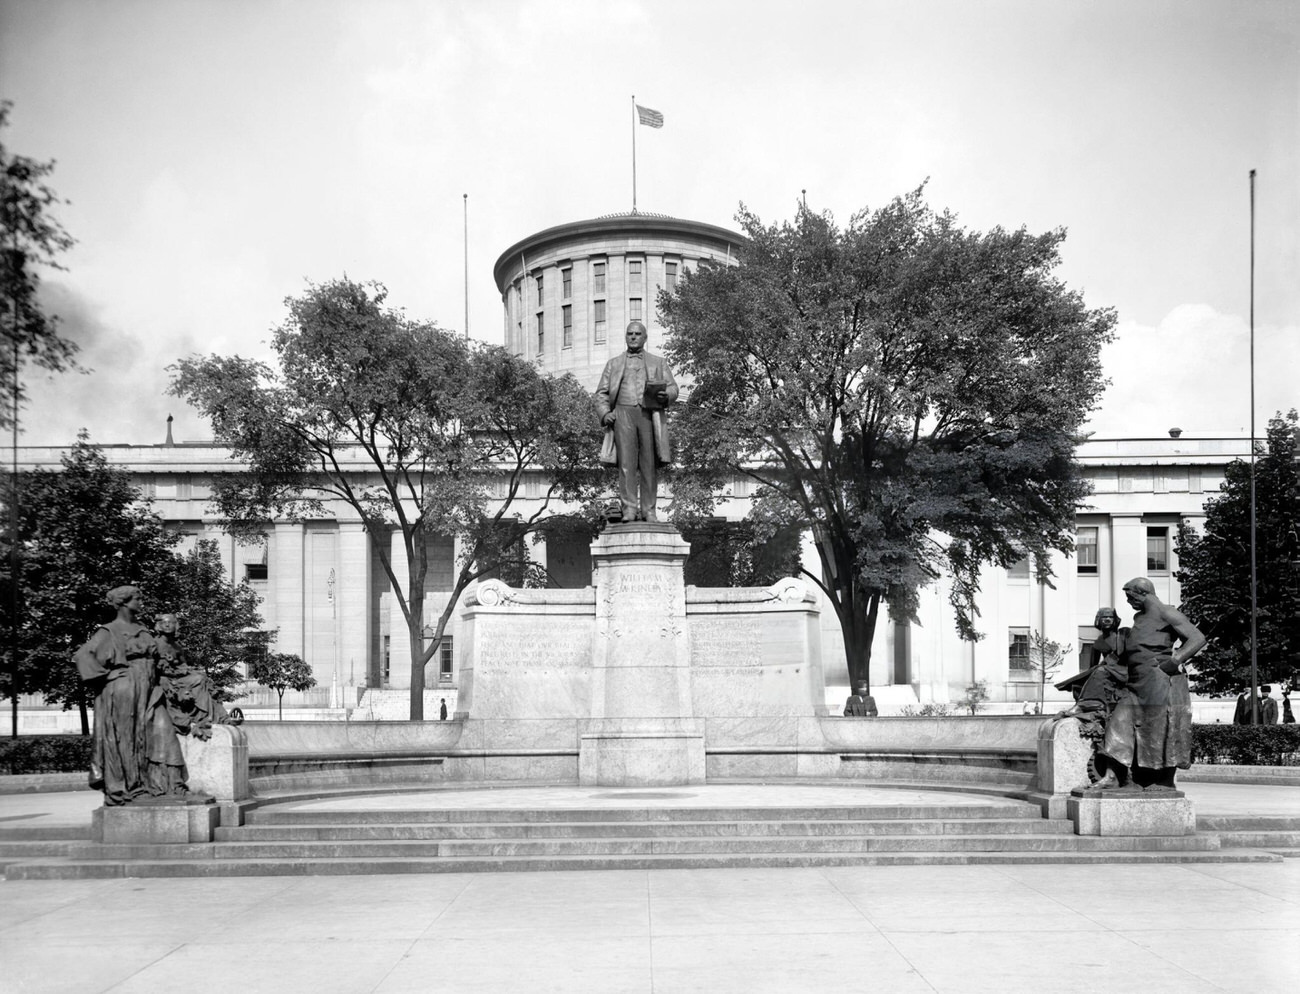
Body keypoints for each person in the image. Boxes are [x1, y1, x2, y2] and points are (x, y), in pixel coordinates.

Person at [1096, 577, 1206, 792]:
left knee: (1161, 727)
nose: (1129, 602)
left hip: (1158, 679)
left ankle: (1164, 780)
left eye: (1131, 597)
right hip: (1135, 681)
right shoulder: (1139, 619)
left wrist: (1175, 660)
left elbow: (1197, 638)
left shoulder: (1167, 613)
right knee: (1119, 720)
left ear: (1142, 593)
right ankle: (1112, 775)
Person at [73, 586, 163, 805]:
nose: (141, 602)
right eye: (138, 598)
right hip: (124, 688)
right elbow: (83, 655)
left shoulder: (141, 628)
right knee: (124, 736)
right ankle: (124, 787)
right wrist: (107, 676)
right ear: (124, 602)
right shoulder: (109, 630)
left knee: (143, 734)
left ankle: (142, 784)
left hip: (146, 687)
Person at [593, 321, 679, 523]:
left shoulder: (658, 362)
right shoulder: (613, 364)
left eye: (637, 334)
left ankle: (649, 510)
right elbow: (601, 394)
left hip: (649, 415)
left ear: (645, 337)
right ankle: (629, 509)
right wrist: (606, 414)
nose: (633, 337)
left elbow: (673, 388)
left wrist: (665, 396)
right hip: (623, 415)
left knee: (649, 464)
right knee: (626, 464)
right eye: (629, 333)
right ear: (625, 337)